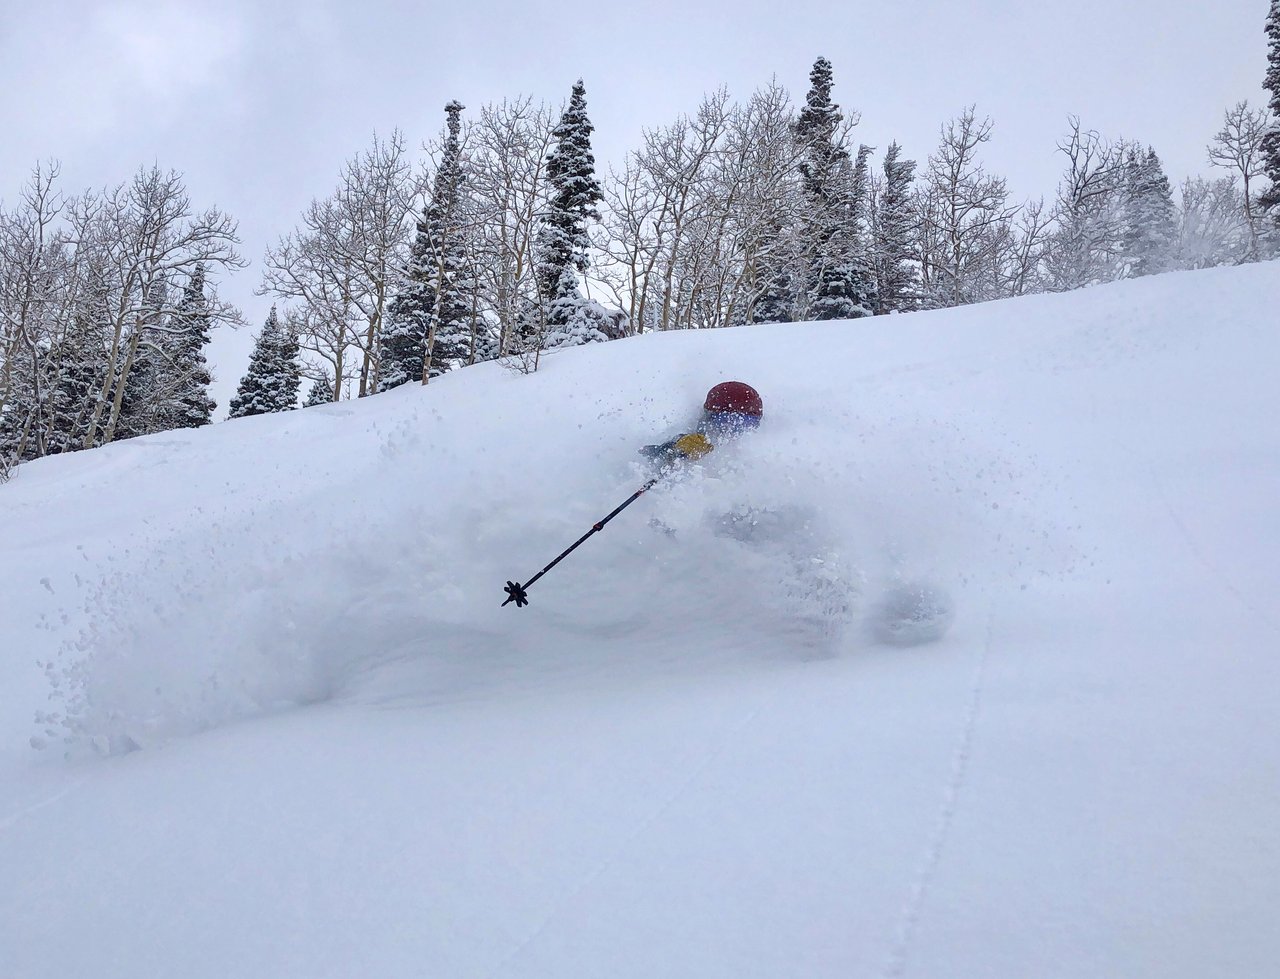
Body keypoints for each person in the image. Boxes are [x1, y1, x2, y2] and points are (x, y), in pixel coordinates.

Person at [640, 381, 763, 468]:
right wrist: (675, 453)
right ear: (709, 418)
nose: (731, 429)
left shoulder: (761, 452)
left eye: (747, 422)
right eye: (723, 420)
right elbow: (646, 455)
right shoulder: (693, 440)